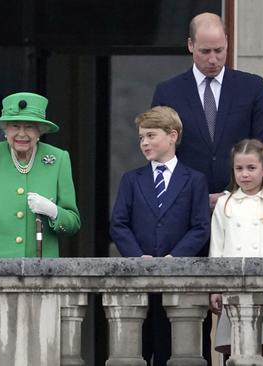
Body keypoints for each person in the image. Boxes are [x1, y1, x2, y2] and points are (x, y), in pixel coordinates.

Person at [151, 13, 263, 362]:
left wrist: (232, 196)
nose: (213, 59)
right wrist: (193, 198)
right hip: (184, 217)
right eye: (205, 51)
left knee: (239, 314)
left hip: (240, 214)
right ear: (190, 46)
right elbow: (160, 154)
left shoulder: (252, 87)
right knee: (182, 315)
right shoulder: (168, 91)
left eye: (219, 51)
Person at [0, 91, 80, 363]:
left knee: (38, 352)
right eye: (15, 126)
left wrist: (53, 212)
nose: (22, 133)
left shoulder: (58, 159)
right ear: (4, 130)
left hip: (43, 278)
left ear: (40, 131)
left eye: (29, 126)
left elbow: (73, 222)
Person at [111, 106, 210, 365]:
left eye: (151, 135)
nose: (144, 142)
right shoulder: (131, 179)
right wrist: (136, 256)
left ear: (172, 136)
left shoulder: (195, 179)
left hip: (180, 282)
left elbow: (200, 226)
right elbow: (119, 224)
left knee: (176, 353)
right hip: (139, 281)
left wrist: (174, 258)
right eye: (141, 137)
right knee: (136, 352)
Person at [209, 139, 263, 360]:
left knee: (262, 346)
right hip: (232, 285)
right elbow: (216, 248)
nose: (244, 174)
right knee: (233, 348)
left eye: (251, 168)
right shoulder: (225, 203)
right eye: (239, 168)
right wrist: (215, 288)